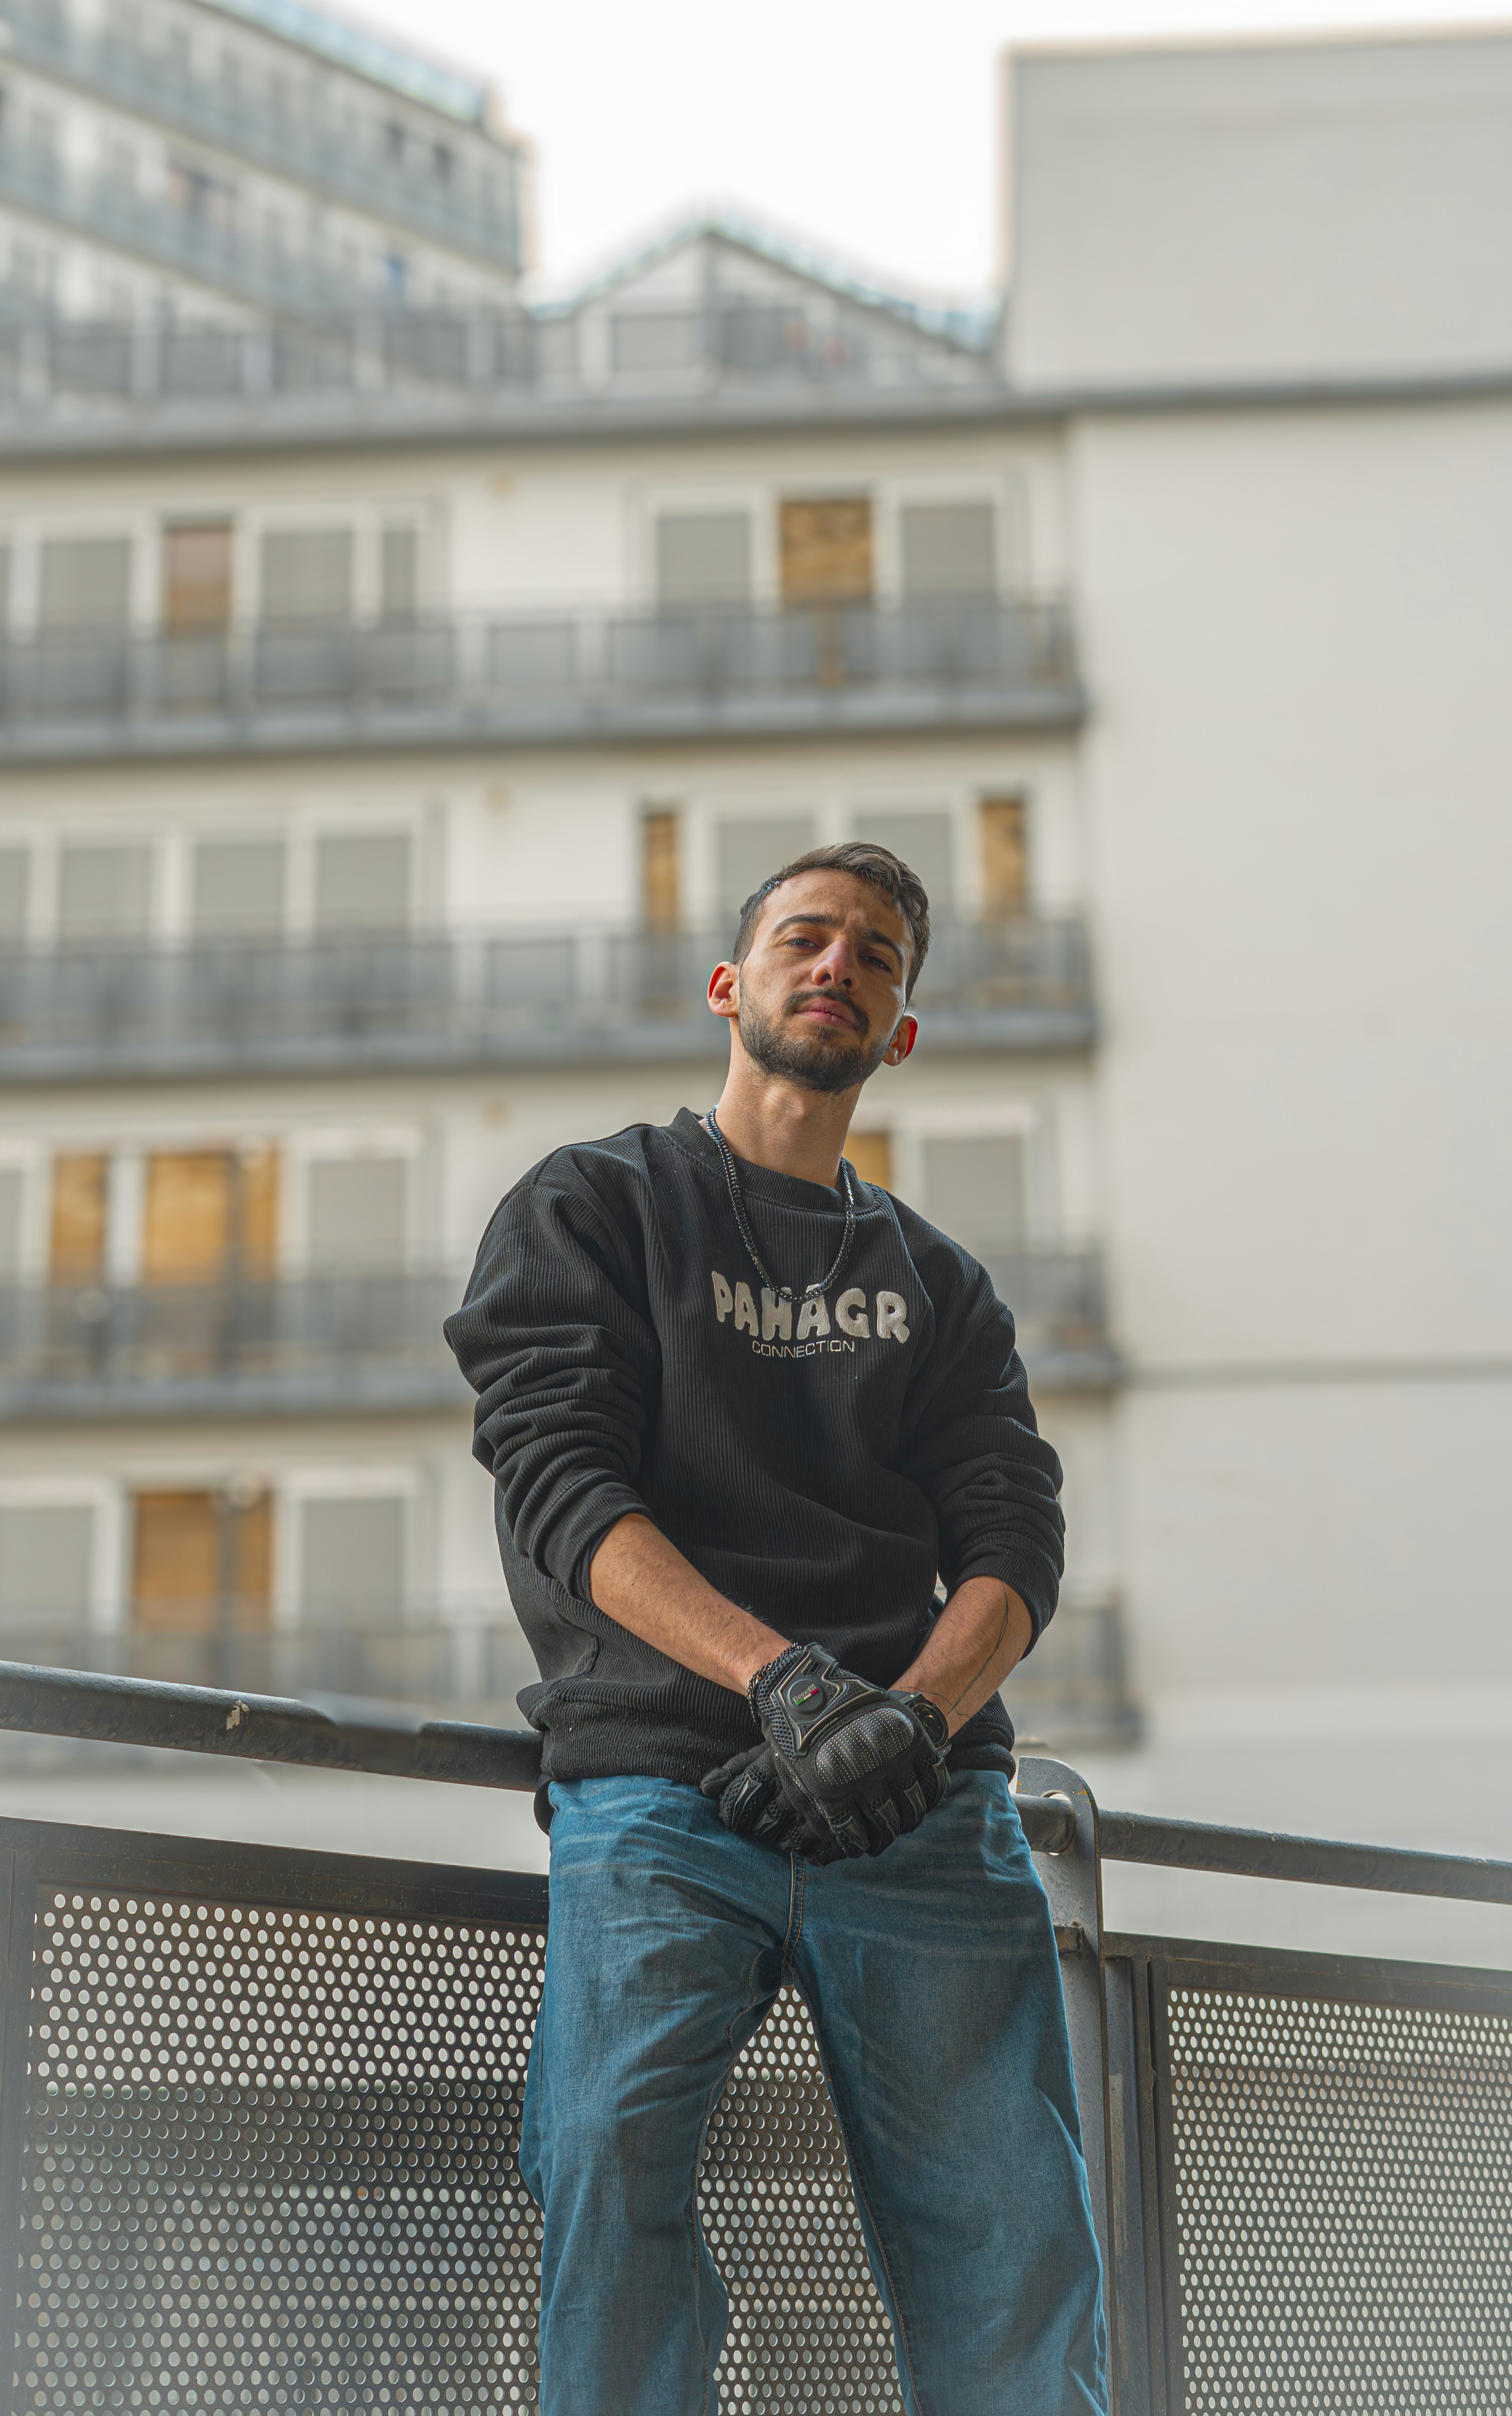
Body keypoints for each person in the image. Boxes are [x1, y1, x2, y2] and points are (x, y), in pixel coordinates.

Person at [446, 841, 1108, 2416]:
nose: (838, 967)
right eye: (805, 939)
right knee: (607, 2169)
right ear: (729, 984)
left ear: (901, 1032)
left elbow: (1015, 1539)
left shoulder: (940, 1284)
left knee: (1012, 2233)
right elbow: (561, 1487)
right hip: (665, 1785)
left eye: (876, 957)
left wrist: (914, 1719)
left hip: (921, 1808)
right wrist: (787, 1682)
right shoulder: (596, 1206)